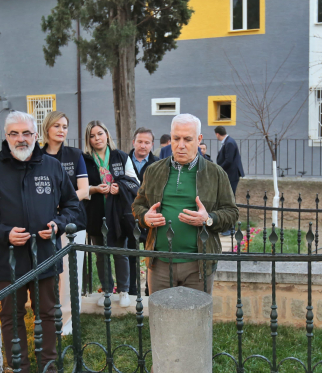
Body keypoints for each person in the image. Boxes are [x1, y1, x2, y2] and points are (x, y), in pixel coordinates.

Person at [0, 111, 85, 373]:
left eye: (26, 133)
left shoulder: (53, 167)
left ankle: (49, 367)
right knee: (12, 316)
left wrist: (58, 225)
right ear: (5, 137)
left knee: (47, 312)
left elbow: (74, 208)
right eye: (14, 134)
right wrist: (3, 232)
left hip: (45, 256)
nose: (21, 139)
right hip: (7, 259)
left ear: (35, 136)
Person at [133, 113, 238, 295]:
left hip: (199, 265)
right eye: (176, 138)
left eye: (187, 139)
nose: (180, 145)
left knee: (196, 320)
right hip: (159, 264)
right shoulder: (153, 171)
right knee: (162, 320)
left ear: (199, 140)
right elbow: (138, 206)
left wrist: (209, 219)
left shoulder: (215, 173)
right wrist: (145, 217)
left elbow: (231, 213)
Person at [82, 120, 141, 308]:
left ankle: (123, 291)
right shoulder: (84, 160)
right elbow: (79, 187)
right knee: (101, 255)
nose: (96, 138)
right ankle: (107, 290)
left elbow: (134, 182)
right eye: (92, 136)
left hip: (118, 213)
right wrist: (94, 189)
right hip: (95, 213)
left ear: (107, 135)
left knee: (120, 252)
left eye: (100, 133)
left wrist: (119, 187)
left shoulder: (121, 156)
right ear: (88, 140)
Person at [40, 111, 89, 335]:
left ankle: (69, 321)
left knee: (70, 274)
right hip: (45, 224)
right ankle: (50, 316)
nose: (62, 130)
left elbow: (84, 190)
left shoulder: (75, 155)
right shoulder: (37, 156)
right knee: (49, 274)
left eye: (65, 126)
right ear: (47, 128)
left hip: (72, 223)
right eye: (57, 126)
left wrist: (61, 205)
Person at [128, 127, 159, 296]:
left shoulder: (157, 163)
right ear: (133, 142)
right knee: (130, 254)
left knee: (150, 255)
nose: (143, 145)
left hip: (150, 214)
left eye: (147, 142)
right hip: (127, 215)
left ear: (152, 145)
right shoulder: (123, 161)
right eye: (140, 141)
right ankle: (131, 291)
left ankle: (149, 290)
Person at [214, 126, 244, 195]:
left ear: (217, 134)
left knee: (230, 195)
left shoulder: (229, 142)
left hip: (231, 174)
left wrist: (219, 169)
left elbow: (229, 160)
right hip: (229, 174)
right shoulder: (228, 141)